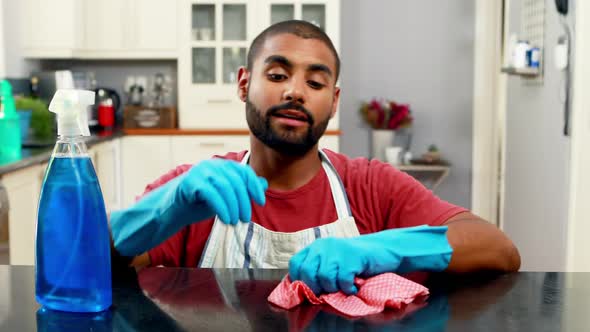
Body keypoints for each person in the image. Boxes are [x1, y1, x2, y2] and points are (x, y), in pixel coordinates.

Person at [110, 20, 520, 295]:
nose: (295, 91)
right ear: (243, 84)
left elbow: (499, 250)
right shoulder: (196, 191)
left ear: (334, 100)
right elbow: (84, 262)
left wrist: (379, 250)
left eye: (316, 81)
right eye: (276, 75)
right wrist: (163, 209)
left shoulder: (371, 185)